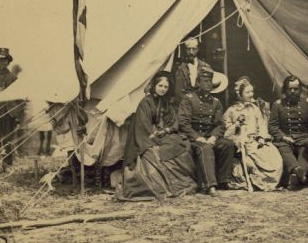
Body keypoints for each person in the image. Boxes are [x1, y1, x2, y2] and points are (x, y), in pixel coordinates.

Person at [117, 71, 197, 201]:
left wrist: (167, 130)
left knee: (183, 145)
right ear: (154, 85)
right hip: (145, 138)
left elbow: (173, 122)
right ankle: (163, 187)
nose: (162, 89)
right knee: (154, 153)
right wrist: (155, 137)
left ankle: (179, 185)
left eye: (165, 87)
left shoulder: (166, 102)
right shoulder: (146, 102)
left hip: (162, 135)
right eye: (160, 86)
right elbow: (142, 126)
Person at [178, 67, 235, 196]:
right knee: (205, 148)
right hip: (192, 138)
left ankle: (224, 181)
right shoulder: (189, 99)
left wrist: (214, 137)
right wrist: (196, 137)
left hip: (209, 137)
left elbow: (220, 124)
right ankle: (210, 185)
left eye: (210, 81)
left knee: (228, 144)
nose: (208, 84)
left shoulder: (216, 102)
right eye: (205, 81)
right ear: (198, 83)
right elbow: (183, 123)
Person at [268, 75, 308, 189]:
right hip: (285, 139)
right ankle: (296, 170)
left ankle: (296, 177)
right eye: (289, 89)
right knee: (283, 148)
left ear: (300, 89)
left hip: (303, 138)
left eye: (295, 89)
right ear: (285, 89)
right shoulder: (277, 105)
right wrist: (282, 137)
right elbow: (272, 126)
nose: (292, 91)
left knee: (306, 148)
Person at [223, 77, 283, 191]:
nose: (251, 94)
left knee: (273, 155)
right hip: (241, 143)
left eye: (252, 91)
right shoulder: (231, 111)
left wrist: (261, 137)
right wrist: (236, 126)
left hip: (256, 141)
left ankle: (268, 183)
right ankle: (256, 182)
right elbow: (226, 132)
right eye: (247, 92)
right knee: (250, 160)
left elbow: (262, 125)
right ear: (240, 94)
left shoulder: (255, 109)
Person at [172, 38, 212, 109]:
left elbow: (208, 88)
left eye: (194, 49)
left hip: (201, 104)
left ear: (198, 49)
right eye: (188, 49)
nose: (191, 52)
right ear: (185, 50)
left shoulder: (205, 66)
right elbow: (178, 91)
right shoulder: (179, 68)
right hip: (184, 105)